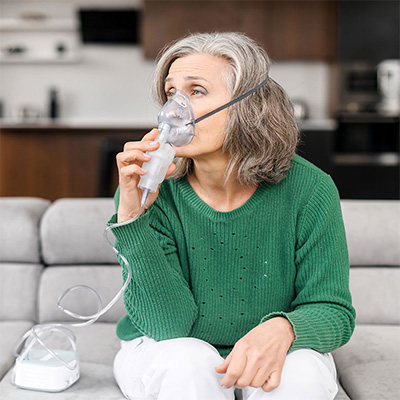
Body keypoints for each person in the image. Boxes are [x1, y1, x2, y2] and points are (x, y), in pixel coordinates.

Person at [108, 32, 355, 400]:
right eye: (171, 93)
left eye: (196, 91)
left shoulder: (310, 189)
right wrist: (132, 219)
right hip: (169, 348)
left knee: (302, 372)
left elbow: (334, 312)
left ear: (248, 105)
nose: (175, 109)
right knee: (187, 361)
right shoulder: (148, 191)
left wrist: (283, 329)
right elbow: (169, 326)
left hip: (268, 351)